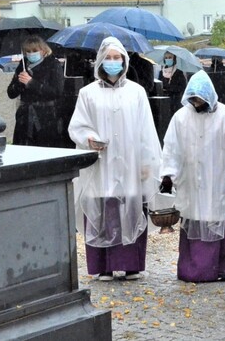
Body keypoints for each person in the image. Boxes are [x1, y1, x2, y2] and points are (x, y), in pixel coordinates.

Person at [68, 36, 162, 281]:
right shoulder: (87, 94)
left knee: (129, 208)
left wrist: (146, 162)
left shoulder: (137, 92)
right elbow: (77, 125)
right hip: (101, 164)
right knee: (103, 210)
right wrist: (89, 138)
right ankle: (104, 265)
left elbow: (146, 131)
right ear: (100, 61)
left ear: (124, 61)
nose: (112, 62)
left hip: (130, 163)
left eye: (116, 57)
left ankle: (131, 264)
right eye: (108, 58)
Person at [159, 70, 225, 282]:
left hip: (219, 181)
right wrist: (168, 175)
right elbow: (172, 148)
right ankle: (193, 269)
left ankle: (224, 268)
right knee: (194, 222)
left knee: (220, 221)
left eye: (200, 99)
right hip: (191, 182)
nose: (196, 103)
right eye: (193, 99)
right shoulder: (181, 118)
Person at [6, 35, 69, 147]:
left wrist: (32, 83)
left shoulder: (53, 65)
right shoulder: (23, 65)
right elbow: (11, 92)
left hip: (46, 117)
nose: (31, 54)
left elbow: (57, 91)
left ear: (43, 50)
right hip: (24, 118)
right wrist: (20, 83)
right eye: (28, 51)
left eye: (35, 50)